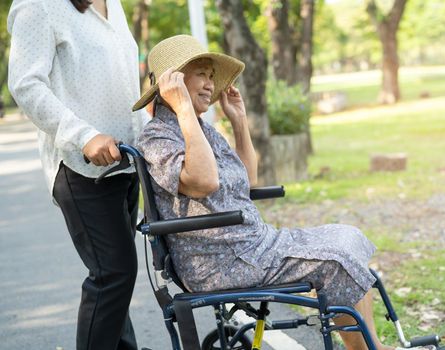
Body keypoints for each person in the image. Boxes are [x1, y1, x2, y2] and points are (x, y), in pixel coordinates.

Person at [135, 35, 425, 350]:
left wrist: (239, 121)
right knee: (337, 261)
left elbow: (247, 179)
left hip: (251, 246)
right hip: (219, 261)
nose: (210, 84)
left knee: (347, 237)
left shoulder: (201, 130)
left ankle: (374, 345)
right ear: (172, 82)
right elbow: (204, 183)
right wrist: (182, 109)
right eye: (201, 74)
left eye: (211, 75)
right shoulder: (158, 137)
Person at [7, 0, 149, 349]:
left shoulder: (112, 4)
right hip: (82, 167)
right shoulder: (38, 5)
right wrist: (84, 136)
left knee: (118, 281)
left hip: (126, 163)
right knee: (114, 274)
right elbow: (26, 84)